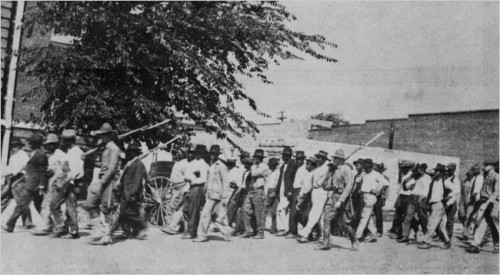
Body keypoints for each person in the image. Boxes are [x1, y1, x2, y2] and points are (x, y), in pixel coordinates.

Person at [85, 123, 123, 245]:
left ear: (110, 135)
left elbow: (112, 168)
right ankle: (99, 232)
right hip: (101, 178)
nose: (102, 137)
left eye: (105, 135)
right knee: (90, 204)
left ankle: (106, 236)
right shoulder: (104, 147)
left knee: (106, 208)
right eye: (102, 135)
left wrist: (103, 181)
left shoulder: (114, 148)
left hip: (109, 180)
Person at [3, 134, 48, 233]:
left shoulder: (40, 155)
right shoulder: (34, 153)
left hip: (34, 184)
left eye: (31, 142)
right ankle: (13, 224)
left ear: (35, 143)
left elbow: (43, 171)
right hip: (29, 183)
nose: (29, 144)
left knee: (24, 204)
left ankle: (11, 224)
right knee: (23, 204)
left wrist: (41, 186)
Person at [317, 149, 359, 251]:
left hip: (343, 198)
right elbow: (329, 186)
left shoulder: (346, 169)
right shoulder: (333, 170)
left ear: (340, 159)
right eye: (334, 158)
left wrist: (341, 200)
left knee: (344, 223)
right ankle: (326, 242)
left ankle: (354, 240)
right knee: (326, 218)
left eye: (336, 158)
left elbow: (349, 186)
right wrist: (325, 179)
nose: (334, 160)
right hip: (334, 196)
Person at [33, 134, 71, 236]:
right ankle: (48, 225)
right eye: (47, 145)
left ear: (56, 145)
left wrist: (61, 183)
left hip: (58, 184)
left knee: (53, 205)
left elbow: (67, 171)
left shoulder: (61, 155)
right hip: (51, 183)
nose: (48, 147)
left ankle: (56, 226)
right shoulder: (51, 156)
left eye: (51, 145)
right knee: (46, 204)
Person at [194, 145, 233, 242]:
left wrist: (225, 197)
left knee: (205, 215)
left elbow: (225, 182)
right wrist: (205, 191)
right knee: (214, 217)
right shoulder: (211, 165)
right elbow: (208, 180)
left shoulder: (221, 166)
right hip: (210, 194)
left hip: (217, 195)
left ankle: (202, 235)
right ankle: (226, 231)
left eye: (214, 154)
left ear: (217, 155)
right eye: (211, 153)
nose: (212, 155)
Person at [52, 129, 85, 239]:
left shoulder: (78, 153)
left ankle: (74, 232)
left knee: (71, 207)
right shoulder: (69, 152)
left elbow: (73, 172)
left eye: (64, 140)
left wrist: (61, 182)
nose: (63, 142)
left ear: (69, 141)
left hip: (73, 184)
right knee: (54, 204)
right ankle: (61, 227)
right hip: (66, 182)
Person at [115, 141, 148, 240]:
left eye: (132, 151)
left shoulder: (139, 164)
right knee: (123, 212)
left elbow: (138, 181)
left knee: (128, 212)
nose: (130, 153)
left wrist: (132, 193)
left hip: (132, 193)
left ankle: (140, 226)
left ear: (137, 153)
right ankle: (127, 231)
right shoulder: (129, 163)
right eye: (129, 151)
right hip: (125, 191)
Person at [466, 160, 499, 254]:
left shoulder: (497, 176)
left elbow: (496, 192)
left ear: (492, 166)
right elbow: (483, 189)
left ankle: (497, 246)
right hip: (483, 201)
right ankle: (475, 245)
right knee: (479, 223)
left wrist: (487, 203)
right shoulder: (486, 176)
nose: (485, 166)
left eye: (487, 164)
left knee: (495, 226)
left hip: (493, 203)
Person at [296, 150, 330, 243]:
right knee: (320, 216)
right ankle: (325, 236)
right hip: (314, 192)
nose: (317, 159)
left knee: (314, 214)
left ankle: (305, 234)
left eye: (319, 158)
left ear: (323, 159)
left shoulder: (327, 168)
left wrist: (332, 168)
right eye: (317, 157)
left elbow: (324, 180)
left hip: (321, 191)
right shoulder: (318, 169)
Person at [417, 164, 451, 249]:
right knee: (439, 226)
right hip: (432, 204)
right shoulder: (433, 181)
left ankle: (427, 242)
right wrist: (425, 198)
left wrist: (449, 197)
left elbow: (456, 189)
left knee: (431, 223)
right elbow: (430, 193)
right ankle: (446, 241)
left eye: (437, 171)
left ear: (442, 173)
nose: (435, 172)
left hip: (439, 204)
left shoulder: (445, 181)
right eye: (435, 171)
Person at [355, 159, 389, 243]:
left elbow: (386, 184)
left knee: (364, 216)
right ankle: (373, 235)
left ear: (370, 166)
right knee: (368, 217)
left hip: (371, 196)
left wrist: (378, 191)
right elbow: (358, 181)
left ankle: (357, 236)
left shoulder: (376, 174)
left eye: (365, 165)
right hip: (363, 196)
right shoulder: (363, 174)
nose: (364, 166)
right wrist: (359, 189)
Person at [161, 146, 193, 235]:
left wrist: (185, 186)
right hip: (175, 187)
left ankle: (173, 226)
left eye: (180, 152)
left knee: (175, 206)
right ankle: (179, 226)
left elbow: (187, 176)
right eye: (178, 152)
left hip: (181, 186)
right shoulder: (178, 163)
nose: (178, 153)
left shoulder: (186, 164)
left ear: (184, 154)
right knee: (174, 206)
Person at [1, 137, 32, 228]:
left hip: (20, 179)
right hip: (13, 178)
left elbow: (13, 170)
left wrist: (1, 174)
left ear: (19, 146)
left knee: (21, 201)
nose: (13, 148)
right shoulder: (15, 156)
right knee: (4, 198)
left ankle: (27, 221)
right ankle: (27, 221)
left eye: (15, 146)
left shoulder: (22, 156)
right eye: (12, 146)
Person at [182, 144, 209, 239]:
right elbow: (186, 176)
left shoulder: (204, 165)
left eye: (200, 153)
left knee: (193, 210)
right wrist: (188, 179)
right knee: (186, 209)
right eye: (196, 153)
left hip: (198, 187)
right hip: (190, 187)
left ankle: (192, 231)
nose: (198, 155)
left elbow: (203, 179)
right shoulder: (191, 163)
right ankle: (193, 229)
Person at [241, 149, 269, 239]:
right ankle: (249, 230)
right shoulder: (254, 166)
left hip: (259, 190)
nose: (255, 159)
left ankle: (260, 232)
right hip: (251, 190)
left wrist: (252, 165)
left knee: (258, 212)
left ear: (260, 158)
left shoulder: (264, 167)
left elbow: (254, 173)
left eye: (257, 157)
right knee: (246, 209)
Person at [398, 163, 430, 243]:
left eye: (420, 170)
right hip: (412, 197)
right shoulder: (414, 177)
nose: (418, 171)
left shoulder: (427, 178)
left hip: (421, 198)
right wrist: (408, 180)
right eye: (417, 170)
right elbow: (406, 186)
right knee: (408, 217)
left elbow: (427, 189)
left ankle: (427, 236)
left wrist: (423, 197)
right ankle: (405, 236)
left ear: (423, 170)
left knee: (423, 218)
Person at [274, 147, 299, 237]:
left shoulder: (293, 165)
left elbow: (294, 179)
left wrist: (291, 191)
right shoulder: (283, 166)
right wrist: (276, 191)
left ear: (288, 156)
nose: (283, 157)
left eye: (285, 155)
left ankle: (283, 229)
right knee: (283, 210)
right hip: (282, 190)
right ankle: (285, 228)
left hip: (288, 191)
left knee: (281, 209)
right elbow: (280, 180)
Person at [227, 156, 253, 235]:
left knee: (243, 210)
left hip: (247, 192)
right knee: (232, 207)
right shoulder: (244, 172)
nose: (244, 165)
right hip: (240, 190)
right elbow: (241, 185)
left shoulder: (251, 173)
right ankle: (233, 226)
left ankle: (244, 229)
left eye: (246, 164)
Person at [458, 164, 484, 241]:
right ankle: (466, 234)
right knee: (467, 217)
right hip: (471, 201)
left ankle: (478, 237)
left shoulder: (480, 179)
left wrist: (470, 200)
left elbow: (475, 192)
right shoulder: (473, 179)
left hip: (476, 201)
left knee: (477, 218)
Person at [388, 160, 414, 237]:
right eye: (402, 168)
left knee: (406, 216)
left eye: (405, 168)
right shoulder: (404, 175)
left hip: (408, 197)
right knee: (397, 214)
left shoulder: (412, 176)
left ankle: (410, 231)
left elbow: (412, 187)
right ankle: (397, 231)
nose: (403, 169)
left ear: (409, 168)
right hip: (401, 196)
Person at [437, 162, 460, 239]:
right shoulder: (445, 178)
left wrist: (449, 202)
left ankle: (448, 236)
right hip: (444, 201)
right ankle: (441, 235)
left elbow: (456, 192)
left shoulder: (456, 180)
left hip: (451, 202)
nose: (449, 171)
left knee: (449, 221)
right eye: (448, 170)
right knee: (440, 219)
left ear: (454, 170)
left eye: (451, 170)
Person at [287, 151, 307, 238]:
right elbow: (294, 182)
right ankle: (293, 231)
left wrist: (301, 193)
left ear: (303, 159)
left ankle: (294, 231)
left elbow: (304, 183)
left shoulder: (306, 168)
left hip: (301, 190)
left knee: (296, 212)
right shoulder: (297, 168)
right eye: (297, 159)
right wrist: (291, 191)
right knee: (294, 212)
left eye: (300, 159)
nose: (298, 161)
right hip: (295, 190)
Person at [373, 162, 389, 237]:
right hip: (372, 196)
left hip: (380, 197)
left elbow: (387, 189)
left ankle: (379, 231)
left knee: (378, 214)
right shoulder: (373, 175)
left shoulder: (385, 177)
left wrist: (385, 199)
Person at [264, 157, 280, 233]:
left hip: (274, 190)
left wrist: (274, 192)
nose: (270, 166)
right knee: (265, 208)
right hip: (268, 190)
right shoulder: (270, 172)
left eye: (271, 165)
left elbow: (277, 183)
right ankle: (264, 225)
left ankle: (274, 227)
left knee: (274, 210)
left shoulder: (277, 172)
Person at [350, 158, 365, 230]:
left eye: (358, 165)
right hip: (355, 195)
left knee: (360, 213)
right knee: (355, 212)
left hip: (360, 196)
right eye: (356, 166)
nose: (356, 167)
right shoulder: (357, 175)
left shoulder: (364, 175)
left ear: (362, 166)